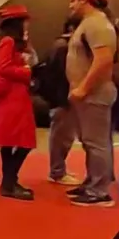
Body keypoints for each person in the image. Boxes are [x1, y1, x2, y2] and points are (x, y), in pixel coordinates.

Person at [65, 0, 118, 207]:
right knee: (90, 141)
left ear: (84, 0)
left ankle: (99, 191)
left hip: (94, 94)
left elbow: (103, 60)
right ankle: (92, 182)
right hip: (86, 95)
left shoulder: (97, 24)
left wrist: (84, 88)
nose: (70, 6)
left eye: (73, 1)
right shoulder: (89, 23)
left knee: (97, 143)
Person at [0, 6, 36, 201]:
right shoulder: (9, 41)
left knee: (10, 141)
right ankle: (9, 182)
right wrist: (25, 71)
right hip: (14, 96)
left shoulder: (8, 41)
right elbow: (3, 67)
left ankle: (9, 183)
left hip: (11, 95)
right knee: (23, 141)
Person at [40, 20, 81, 186]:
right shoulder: (65, 48)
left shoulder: (59, 45)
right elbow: (63, 75)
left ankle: (58, 169)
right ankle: (57, 171)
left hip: (59, 97)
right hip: (62, 98)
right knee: (62, 136)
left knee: (62, 135)